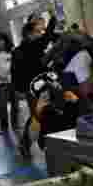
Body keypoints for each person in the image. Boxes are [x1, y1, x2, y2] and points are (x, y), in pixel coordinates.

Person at [13, 15, 58, 156]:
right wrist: (53, 19)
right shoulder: (31, 46)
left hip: (37, 87)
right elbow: (47, 37)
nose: (40, 35)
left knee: (38, 116)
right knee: (38, 117)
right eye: (37, 32)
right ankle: (34, 143)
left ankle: (28, 143)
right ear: (29, 34)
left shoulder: (22, 49)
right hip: (34, 89)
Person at [0, 32, 17, 132]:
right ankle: (4, 127)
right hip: (2, 84)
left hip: (13, 82)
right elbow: (1, 71)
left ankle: (15, 124)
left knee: (15, 105)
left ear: (5, 40)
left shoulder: (13, 51)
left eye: (0, 41)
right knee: (2, 107)